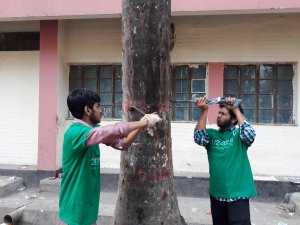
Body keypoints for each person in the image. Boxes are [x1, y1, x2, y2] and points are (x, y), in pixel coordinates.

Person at [59, 88, 161, 225]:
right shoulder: (76, 133)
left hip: (88, 209)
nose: (101, 110)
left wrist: (141, 125)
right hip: (73, 211)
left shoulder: (92, 131)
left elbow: (122, 144)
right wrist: (143, 122)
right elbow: (110, 131)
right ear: (87, 110)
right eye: (98, 106)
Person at [193, 96, 256, 225]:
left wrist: (236, 109)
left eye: (223, 114)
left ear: (233, 119)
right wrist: (204, 111)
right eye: (219, 113)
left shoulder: (239, 135)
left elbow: (250, 135)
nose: (219, 116)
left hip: (238, 194)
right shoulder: (212, 135)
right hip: (217, 194)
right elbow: (199, 138)